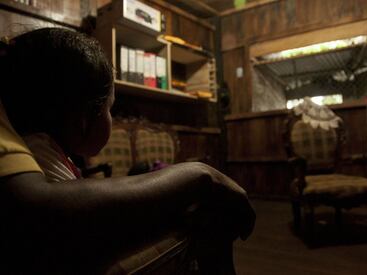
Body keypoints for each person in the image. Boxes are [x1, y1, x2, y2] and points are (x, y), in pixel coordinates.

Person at [0, 28, 255, 274]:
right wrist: (198, 175)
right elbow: (68, 232)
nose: (111, 117)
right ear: (84, 120)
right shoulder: (41, 151)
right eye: (110, 109)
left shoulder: (39, 148)